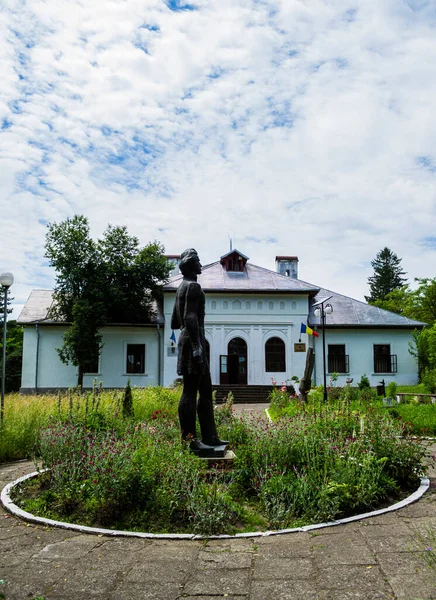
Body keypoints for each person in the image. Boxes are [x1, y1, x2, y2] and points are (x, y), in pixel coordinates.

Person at [171, 248, 227, 455]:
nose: (201, 264)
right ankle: (190, 440)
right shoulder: (193, 286)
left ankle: (209, 436)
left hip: (192, 339)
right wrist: (196, 346)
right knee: (190, 389)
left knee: (205, 390)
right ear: (190, 264)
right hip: (194, 341)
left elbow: (174, 321)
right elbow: (189, 318)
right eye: (197, 261)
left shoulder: (181, 288)